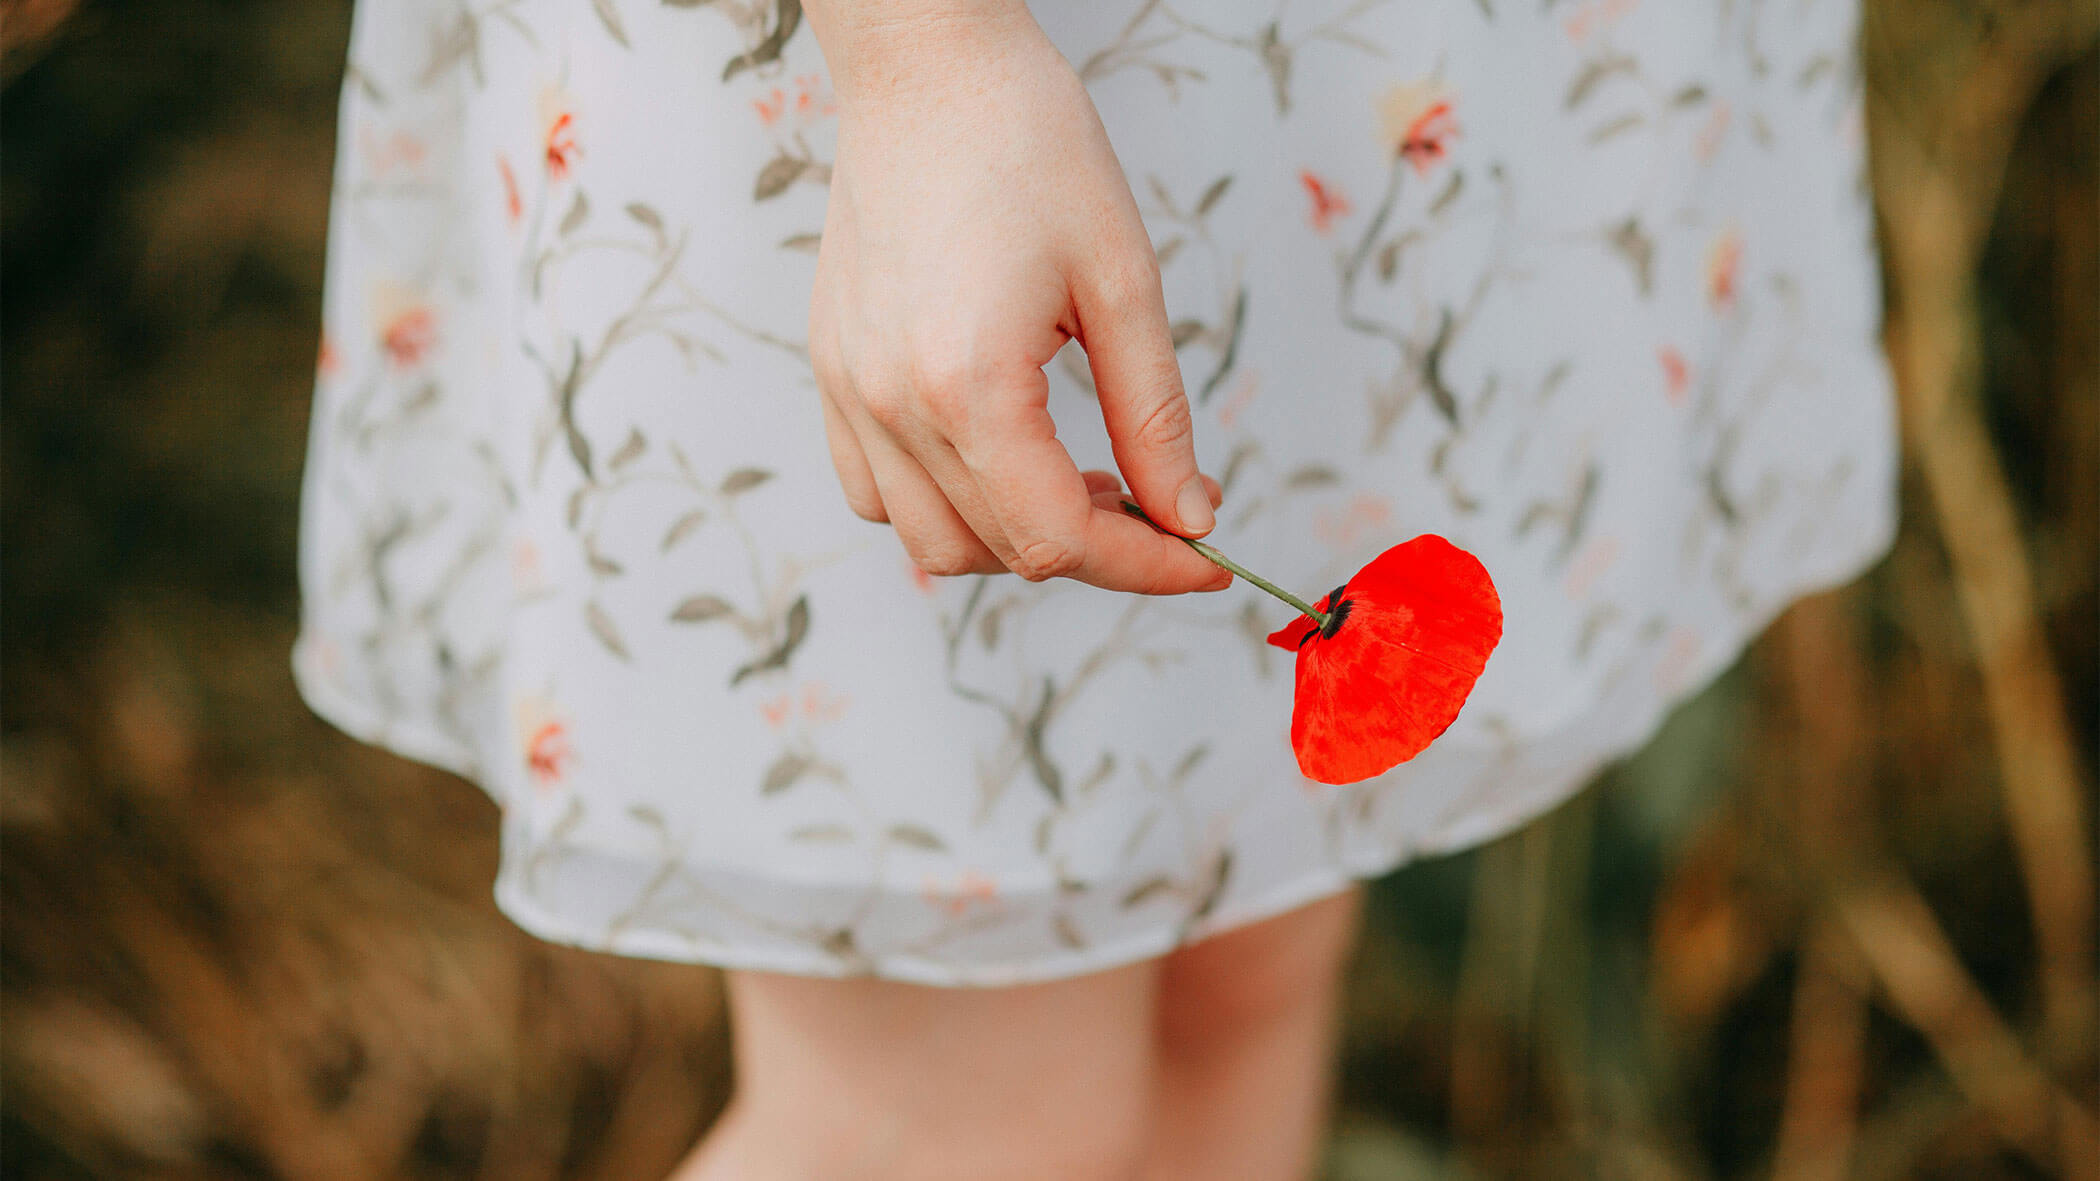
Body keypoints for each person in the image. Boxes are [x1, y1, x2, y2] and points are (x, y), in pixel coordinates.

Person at [292, 0, 1896, 1175]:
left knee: (1240, 974)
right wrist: (927, 59)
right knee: (954, 1122)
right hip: (956, 100)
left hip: (1327, 80)